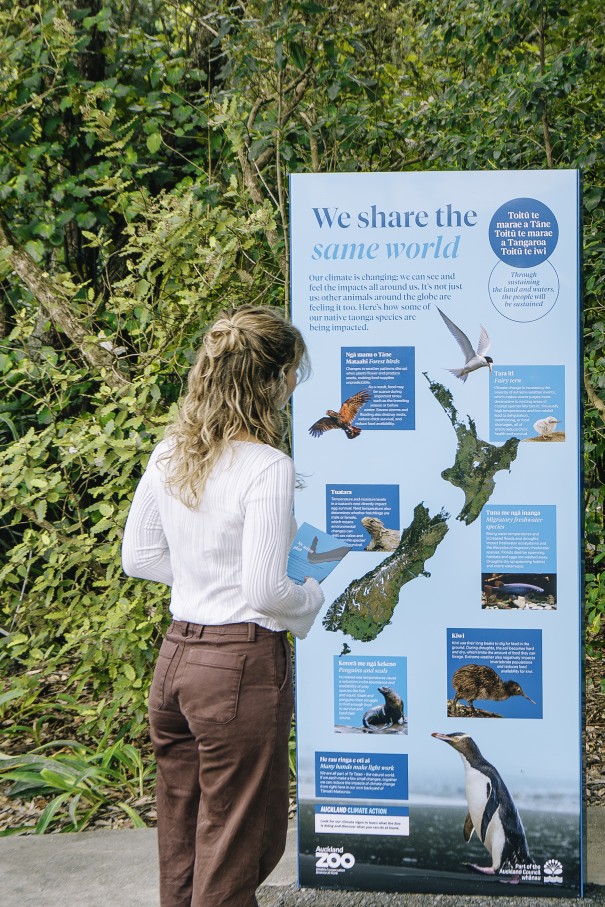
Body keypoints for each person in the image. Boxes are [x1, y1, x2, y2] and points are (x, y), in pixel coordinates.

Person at [122, 306, 326, 907]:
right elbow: (265, 591)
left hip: (176, 662)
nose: (294, 385)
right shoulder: (267, 467)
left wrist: (202, 579)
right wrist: (309, 597)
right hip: (239, 666)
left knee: (184, 837)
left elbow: (139, 556)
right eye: (292, 373)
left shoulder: (169, 455)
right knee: (238, 845)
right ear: (267, 381)